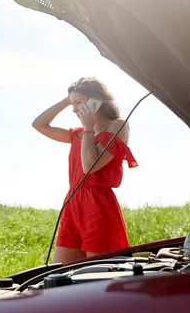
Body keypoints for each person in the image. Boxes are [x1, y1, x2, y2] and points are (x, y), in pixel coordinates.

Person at [32, 77, 137, 264]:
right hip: (72, 203)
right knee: (59, 272)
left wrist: (89, 128)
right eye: (73, 105)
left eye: (78, 103)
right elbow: (39, 124)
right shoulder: (77, 134)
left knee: (98, 274)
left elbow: (90, 166)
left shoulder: (117, 125)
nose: (74, 110)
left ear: (97, 100)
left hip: (98, 205)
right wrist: (68, 100)